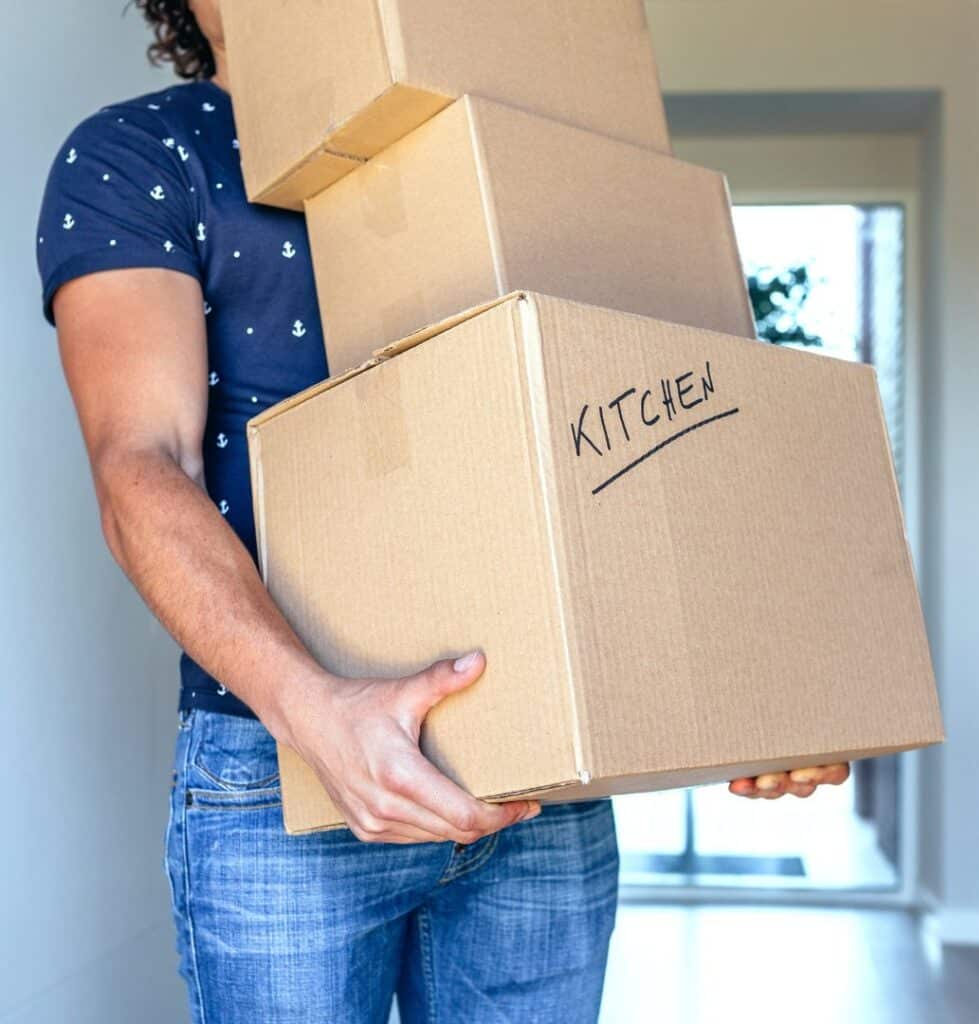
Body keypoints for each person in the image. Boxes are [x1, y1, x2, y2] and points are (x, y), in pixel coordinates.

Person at [35, 2, 851, 1021]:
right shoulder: (146, 151)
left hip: (542, 771)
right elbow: (139, 463)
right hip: (281, 762)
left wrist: (760, 683)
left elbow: (644, 436)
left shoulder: (515, 142)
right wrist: (315, 713)